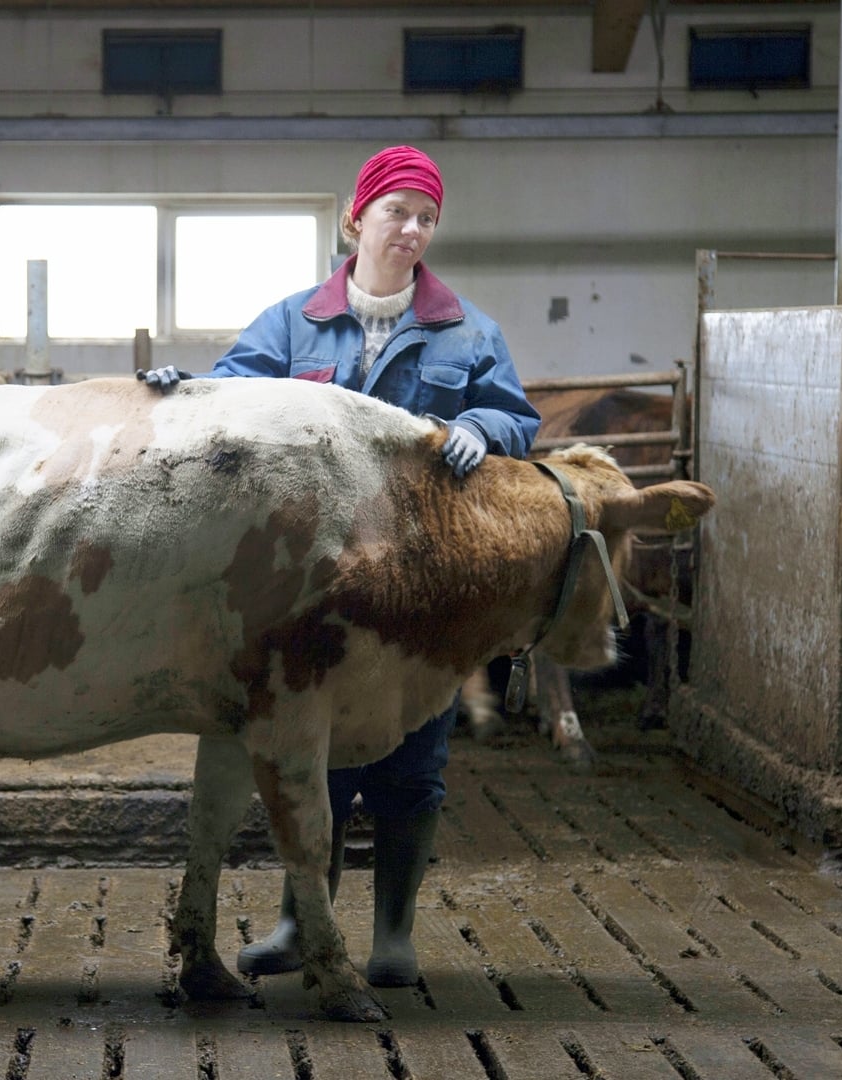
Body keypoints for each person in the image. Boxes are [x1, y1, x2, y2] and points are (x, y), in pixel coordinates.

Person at [137, 145, 540, 988]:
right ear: (357, 220)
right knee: (320, 759)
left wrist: (484, 428)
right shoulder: (294, 321)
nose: (413, 229)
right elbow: (237, 393)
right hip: (323, 585)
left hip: (425, 587)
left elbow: (515, 415)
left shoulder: (468, 331)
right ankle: (298, 925)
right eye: (398, 211)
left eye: (427, 217)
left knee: (415, 765)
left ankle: (393, 937)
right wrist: (186, 390)